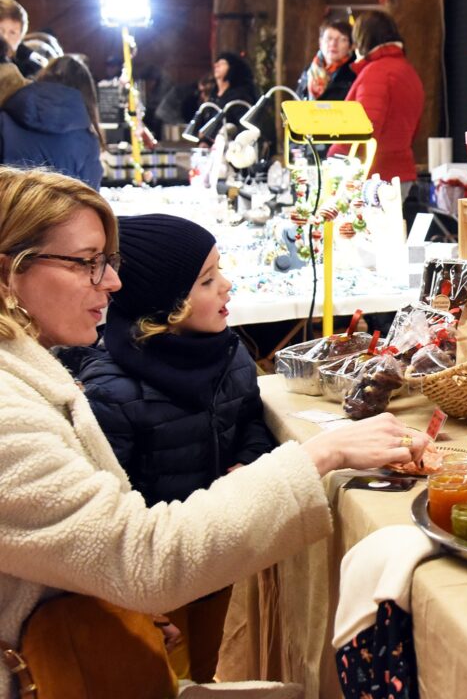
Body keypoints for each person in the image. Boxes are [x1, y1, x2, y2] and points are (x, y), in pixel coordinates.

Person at [0, 166, 428, 699]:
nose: (111, 281)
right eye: (88, 262)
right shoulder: (10, 414)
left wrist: (109, 596)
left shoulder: (36, 374)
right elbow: (144, 557)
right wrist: (319, 454)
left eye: (108, 262)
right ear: (9, 271)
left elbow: (81, 546)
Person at [71, 214, 275, 682]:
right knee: (159, 679)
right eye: (207, 281)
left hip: (221, 560)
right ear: (166, 305)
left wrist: (251, 459)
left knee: (218, 668)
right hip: (157, 583)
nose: (227, 286)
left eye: (220, 270)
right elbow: (108, 509)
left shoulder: (230, 352)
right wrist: (126, 598)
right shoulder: (112, 392)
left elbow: (250, 420)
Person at [328, 11, 424, 191]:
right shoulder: (408, 71)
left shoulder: (376, 72)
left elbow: (364, 130)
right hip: (399, 173)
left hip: (374, 178)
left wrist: (335, 159)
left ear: (362, 38)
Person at [0, 53, 104, 188]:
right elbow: (91, 197)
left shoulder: (5, 118)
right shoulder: (88, 141)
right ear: (88, 93)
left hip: (11, 207)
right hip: (64, 209)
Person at [295, 17, 357, 103]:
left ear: (351, 46)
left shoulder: (355, 73)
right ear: (320, 43)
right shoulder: (309, 71)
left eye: (342, 39)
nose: (333, 44)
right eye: (329, 38)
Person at [0, 0, 44, 78]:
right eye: (0, 31)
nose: (5, 37)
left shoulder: (30, 69)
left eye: (12, 33)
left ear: (21, 37)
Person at [211, 51, 257, 126]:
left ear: (232, 68)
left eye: (222, 63)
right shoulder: (213, 95)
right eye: (217, 63)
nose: (216, 65)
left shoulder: (239, 97)